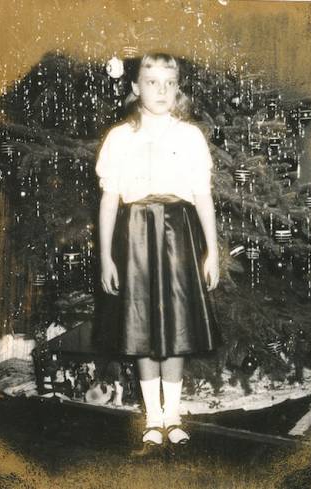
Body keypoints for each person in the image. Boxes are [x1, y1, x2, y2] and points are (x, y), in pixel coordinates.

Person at [96, 53, 220, 447]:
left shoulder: (190, 137)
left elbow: (203, 196)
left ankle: (173, 414)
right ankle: (153, 417)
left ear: (178, 88)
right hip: (134, 236)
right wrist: (106, 256)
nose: (161, 91)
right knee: (142, 326)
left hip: (177, 234)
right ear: (136, 87)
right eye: (152, 82)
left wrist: (212, 251)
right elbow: (109, 200)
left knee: (176, 323)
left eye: (169, 83)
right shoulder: (119, 138)